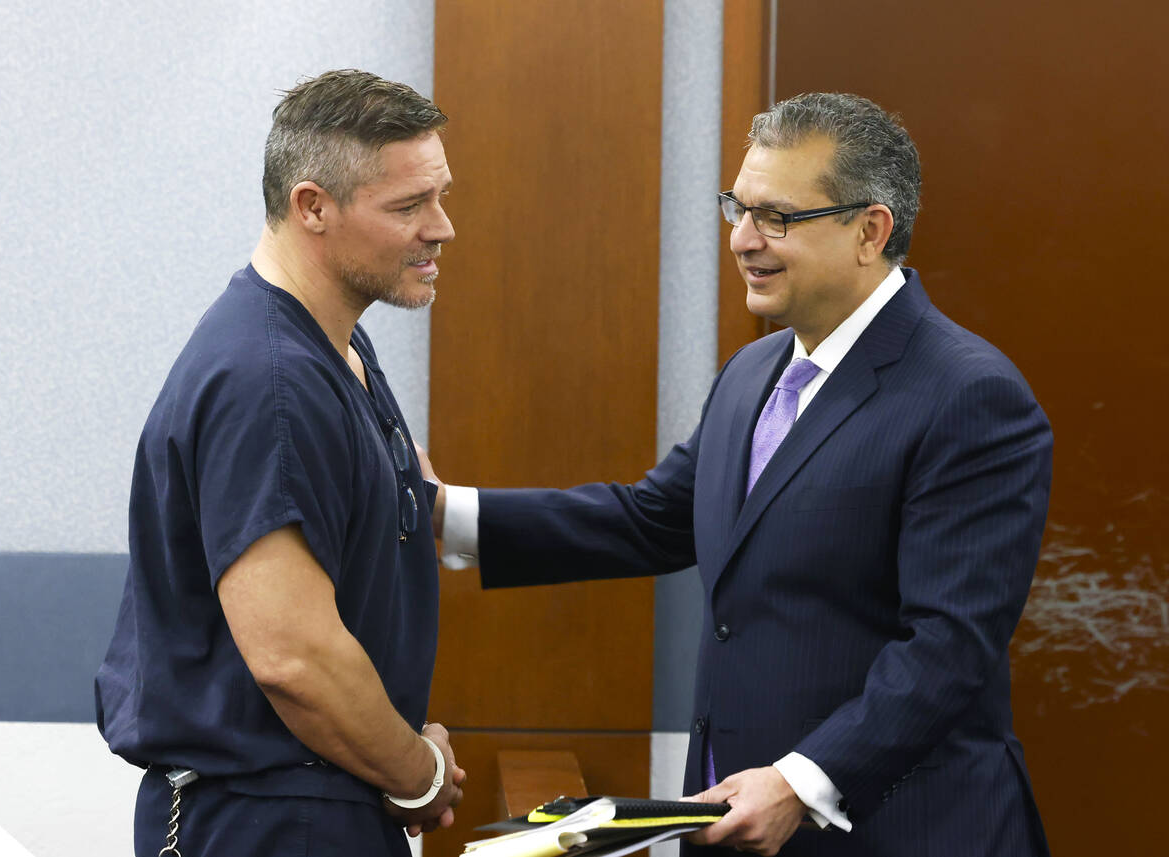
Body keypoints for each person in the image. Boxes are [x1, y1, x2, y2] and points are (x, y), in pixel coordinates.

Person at [430, 93, 1051, 856]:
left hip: (901, 830)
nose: (742, 239)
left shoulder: (970, 395)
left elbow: (947, 647)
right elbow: (652, 519)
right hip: (733, 829)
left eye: (776, 217)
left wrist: (798, 780)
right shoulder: (754, 369)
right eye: (738, 207)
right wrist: (441, 514)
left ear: (871, 230)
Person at [95, 69, 465, 857]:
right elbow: (295, 659)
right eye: (409, 206)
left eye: (440, 195)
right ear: (312, 207)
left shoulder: (335, 347)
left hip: (322, 803)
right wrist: (419, 771)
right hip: (265, 821)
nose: (442, 228)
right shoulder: (269, 380)